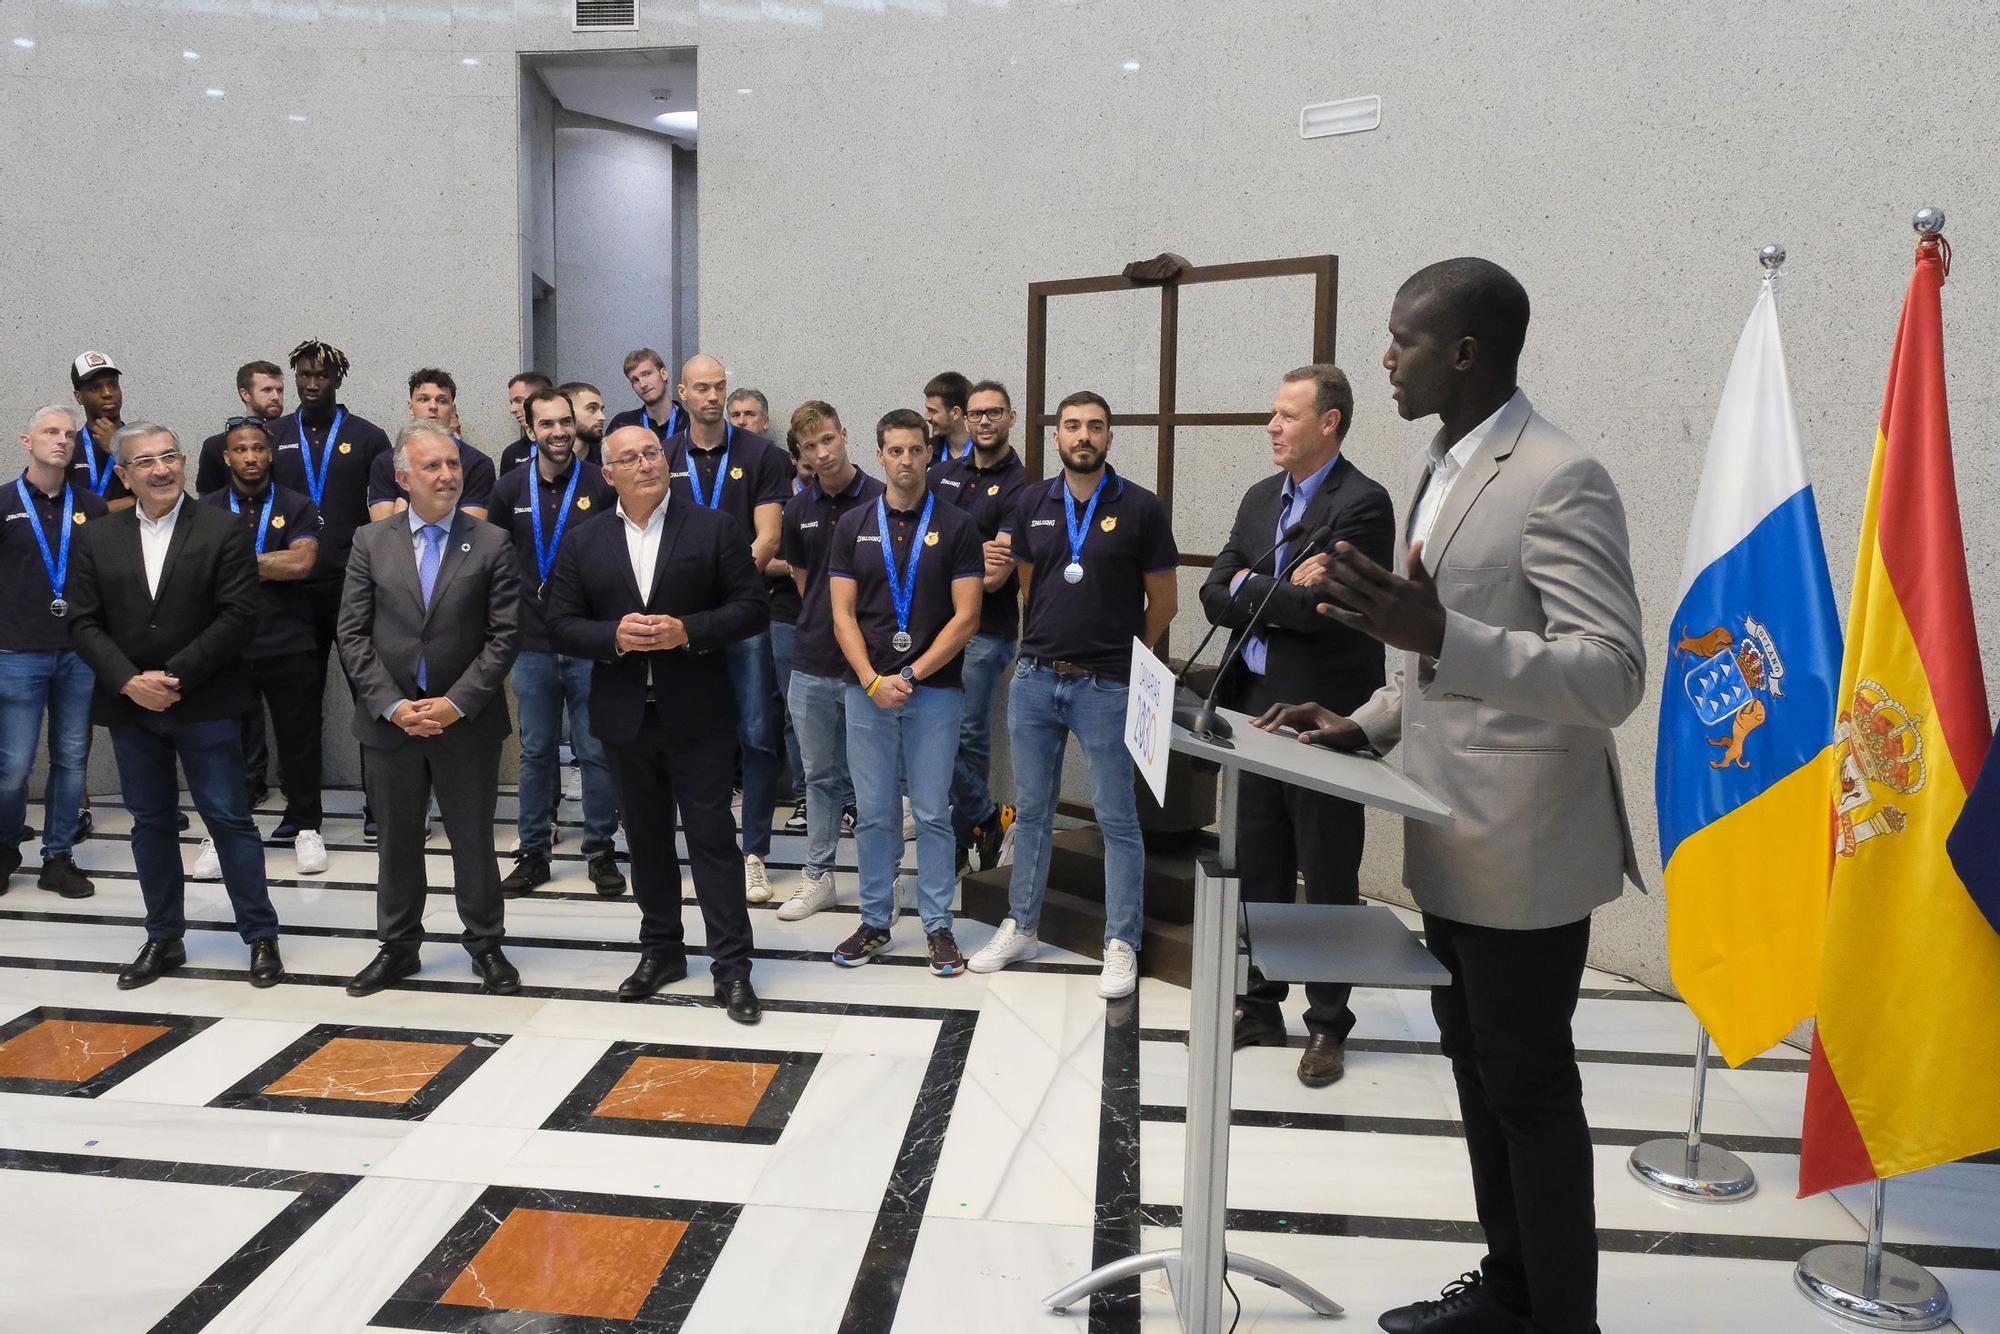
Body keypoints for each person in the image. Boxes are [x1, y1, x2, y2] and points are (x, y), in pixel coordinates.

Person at [1264, 259, 1644, 1334]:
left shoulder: (1558, 474)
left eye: (1402, 339)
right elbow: (1421, 666)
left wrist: (1440, 635)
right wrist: (1362, 722)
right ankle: (1508, 1285)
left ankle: (1560, 1317)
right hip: (1446, 832)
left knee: (1528, 1090)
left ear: (1464, 352)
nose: (1384, 356)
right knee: (1474, 1072)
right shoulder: (1440, 463)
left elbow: (1611, 671)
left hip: (1523, 850)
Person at [1198, 364, 1394, 1089]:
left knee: (1328, 869)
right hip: (1252, 712)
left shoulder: (1363, 504)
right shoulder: (1259, 499)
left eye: (1287, 415)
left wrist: (1254, 585)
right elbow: (1213, 592)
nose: (1272, 426)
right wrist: (1268, 584)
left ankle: (1327, 1025)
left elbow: (1325, 611)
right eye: (1272, 413)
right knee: (1260, 864)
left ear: (1329, 423)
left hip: (1322, 719)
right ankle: (1259, 1003)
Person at [545, 424, 768, 1022]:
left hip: (698, 715)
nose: (645, 464)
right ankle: (662, 950)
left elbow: (751, 608)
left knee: (713, 842)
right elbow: (559, 622)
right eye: (629, 458)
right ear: (608, 473)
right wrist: (611, 636)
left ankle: (732, 968)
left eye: (652, 454)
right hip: (624, 717)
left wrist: (687, 631)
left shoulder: (714, 527)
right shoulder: (584, 540)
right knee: (644, 843)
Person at [966, 391, 1178, 1000]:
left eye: (1095, 426)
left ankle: (1121, 942)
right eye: (1072, 426)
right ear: (1056, 436)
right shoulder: (1032, 501)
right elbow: (1032, 584)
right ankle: (1022, 925)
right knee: (1032, 812)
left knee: (1117, 818)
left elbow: (1163, 602)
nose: (1083, 435)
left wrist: (1120, 654)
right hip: (1035, 679)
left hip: (1107, 684)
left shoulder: (1139, 508)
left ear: (1110, 436)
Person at [67, 423, 283, 990]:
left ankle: (260, 935)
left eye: (170, 457)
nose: (161, 470)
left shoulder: (224, 528)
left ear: (184, 463)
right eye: (146, 462)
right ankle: (164, 936)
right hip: (132, 709)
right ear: (124, 474)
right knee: (151, 822)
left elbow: (239, 614)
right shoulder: (96, 537)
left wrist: (175, 676)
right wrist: (129, 681)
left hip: (206, 702)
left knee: (229, 819)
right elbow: (82, 621)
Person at [337, 421, 523, 998]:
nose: (447, 475)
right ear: (402, 478)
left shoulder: (491, 542)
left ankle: (486, 944)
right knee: (396, 840)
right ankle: (397, 947)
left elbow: (503, 637)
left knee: (473, 838)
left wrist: (454, 703)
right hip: (389, 722)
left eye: (452, 464)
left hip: (464, 720)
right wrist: (392, 705)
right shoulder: (371, 542)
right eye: (432, 467)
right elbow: (352, 633)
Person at [825, 409, 983, 974]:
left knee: (934, 812)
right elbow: (841, 614)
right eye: (895, 451)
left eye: (917, 450)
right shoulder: (853, 525)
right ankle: (874, 922)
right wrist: (871, 679)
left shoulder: (959, 525)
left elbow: (966, 617)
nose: (907, 460)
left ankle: (939, 927)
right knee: (873, 813)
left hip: (933, 690)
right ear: (881, 454)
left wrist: (911, 675)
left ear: (929, 454)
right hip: (865, 690)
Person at [664, 355, 792, 903]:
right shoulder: (663, 455)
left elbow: (767, 537)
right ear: (683, 394)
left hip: (742, 618)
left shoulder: (762, 454)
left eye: (720, 386)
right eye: (702, 388)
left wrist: (725, 592)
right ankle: (707, 847)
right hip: (681, 623)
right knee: (690, 735)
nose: (713, 396)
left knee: (758, 734)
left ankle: (754, 851)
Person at [488, 388, 624, 899]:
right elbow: (497, 563)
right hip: (531, 642)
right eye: (547, 424)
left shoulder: (601, 483)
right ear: (530, 431)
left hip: (590, 641)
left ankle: (600, 850)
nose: (560, 432)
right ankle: (532, 852)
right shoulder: (507, 490)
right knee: (536, 751)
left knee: (594, 750)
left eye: (566, 422)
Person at [267, 339, 393, 838]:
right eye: (303, 374)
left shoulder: (367, 436)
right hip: (292, 593)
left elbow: (388, 510)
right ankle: (302, 816)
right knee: (299, 706)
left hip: (351, 584)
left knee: (371, 694)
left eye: (321, 374)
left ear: (339, 379)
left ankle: (379, 807)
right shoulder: (273, 434)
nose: (311, 382)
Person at [197, 417, 329, 877]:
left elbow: (302, 562)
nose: (250, 457)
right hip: (226, 647)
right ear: (226, 457)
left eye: (258, 448)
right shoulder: (206, 508)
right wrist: (265, 563)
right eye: (240, 450)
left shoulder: (296, 504)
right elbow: (195, 572)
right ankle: (220, 833)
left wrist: (231, 563)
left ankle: (308, 828)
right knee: (223, 744)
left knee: (300, 740)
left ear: (271, 453)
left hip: (288, 640)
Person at [775, 402, 879, 922]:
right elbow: (804, 582)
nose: (822, 454)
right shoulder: (796, 511)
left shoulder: (883, 499)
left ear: (845, 435)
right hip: (812, 660)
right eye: (811, 448)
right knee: (818, 776)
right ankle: (818, 877)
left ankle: (881, 886)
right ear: (801, 454)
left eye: (829, 441)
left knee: (876, 777)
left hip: (871, 663)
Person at [0, 405, 107, 899]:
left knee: (70, 759)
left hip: (78, 653)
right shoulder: (3, 504)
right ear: (26, 440)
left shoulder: (92, 505)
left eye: (68, 433)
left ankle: (58, 857)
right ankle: (4, 849)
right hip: (16, 652)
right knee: (14, 765)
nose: (62, 440)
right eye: (50, 432)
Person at [932, 379, 1029, 871]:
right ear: (964, 420)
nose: (985, 421)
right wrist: (974, 549)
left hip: (985, 633)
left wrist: (947, 555)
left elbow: (994, 579)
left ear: (1011, 417)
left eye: (995, 413)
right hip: (933, 630)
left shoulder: (1022, 485)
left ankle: (961, 841)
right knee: (929, 730)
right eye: (977, 414)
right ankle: (988, 817)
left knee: (966, 736)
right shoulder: (944, 473)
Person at [728, 388, 805, 809]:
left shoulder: (772, 465)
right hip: (711, 605)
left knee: (765, 710)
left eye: (750, 414)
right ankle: (728, 782)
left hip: (763, 606)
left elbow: (782, 550)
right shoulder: (696, 462)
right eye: (735, 414)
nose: (742, 421)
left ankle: (771, 790)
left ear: (766, 421)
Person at [368, 369, 496, 520]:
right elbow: (383, 535)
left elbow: (471, 532)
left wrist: (404, 506)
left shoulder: (478, 463)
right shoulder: (385, 462)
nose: (433, 406)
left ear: (453, 409)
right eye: (423, 399)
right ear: (410, 407)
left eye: (442, 400)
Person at [196, 360, 286, 496]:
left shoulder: (293, 440)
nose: (275, 397)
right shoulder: (216, 446)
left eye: (280, 390)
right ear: (245, 394)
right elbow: (206, 505)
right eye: (267, 390)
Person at [68, 351, 132, 510]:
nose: (108, 394)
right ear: (79, 397)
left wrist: (117, 448)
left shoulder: (143, 440)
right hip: (82, 534)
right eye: (95, 387)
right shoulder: (67, 446)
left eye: (113, 385)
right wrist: (130, 503)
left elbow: (158, 498)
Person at [606, 347, 684, 443]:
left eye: (647, 374)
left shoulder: (690, 424)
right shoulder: (622, 424)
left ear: (663, 374)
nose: (643, 384)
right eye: (635, 380)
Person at [496, 372, 555, 475]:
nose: (513, 409)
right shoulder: (512, 453)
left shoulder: (564, 443)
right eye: (511, 403)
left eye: (519, 400)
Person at [922, 370, 972, 467]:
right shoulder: (925, 452)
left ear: (956, 413)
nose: (926, 417)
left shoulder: (986, 454)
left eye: (933, 411)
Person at [559, 380, 607, 463]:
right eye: (592, 408)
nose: (602, 417)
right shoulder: (540, 460)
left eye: (601, 409)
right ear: (567, 411)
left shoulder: (607, 459)